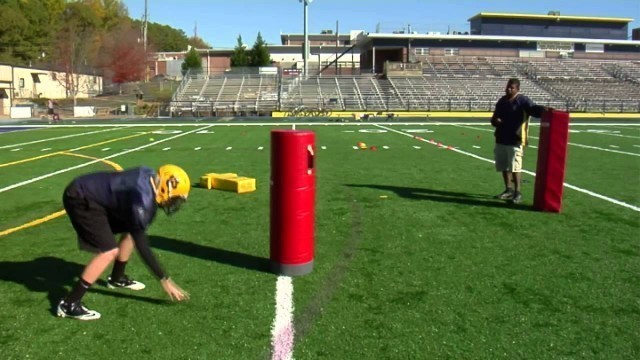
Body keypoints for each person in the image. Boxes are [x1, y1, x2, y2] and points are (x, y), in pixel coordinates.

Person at [57, 164, 191, 320]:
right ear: (165, 188)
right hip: (80, 198)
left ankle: (117, 278)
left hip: (95, 195)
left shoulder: (149, 176)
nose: (174, 203)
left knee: (131, 229)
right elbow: (143, 247)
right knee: (109, 251)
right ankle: (69, 303)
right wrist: (164, 279)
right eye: (175, 197)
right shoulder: (141, 201)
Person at [491, 78, 549, 204]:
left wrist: (544, 109)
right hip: (501, 137)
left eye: (512, 87)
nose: (509, 89)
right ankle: (508, 190)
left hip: (515, 139)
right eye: (508, 87)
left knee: (515, 167)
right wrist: (496, 121)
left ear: (518, 89)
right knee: (504, 166)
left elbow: (534, 109)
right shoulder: (502, 101)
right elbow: (494, 118)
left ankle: (518, 192)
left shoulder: (523, 100)